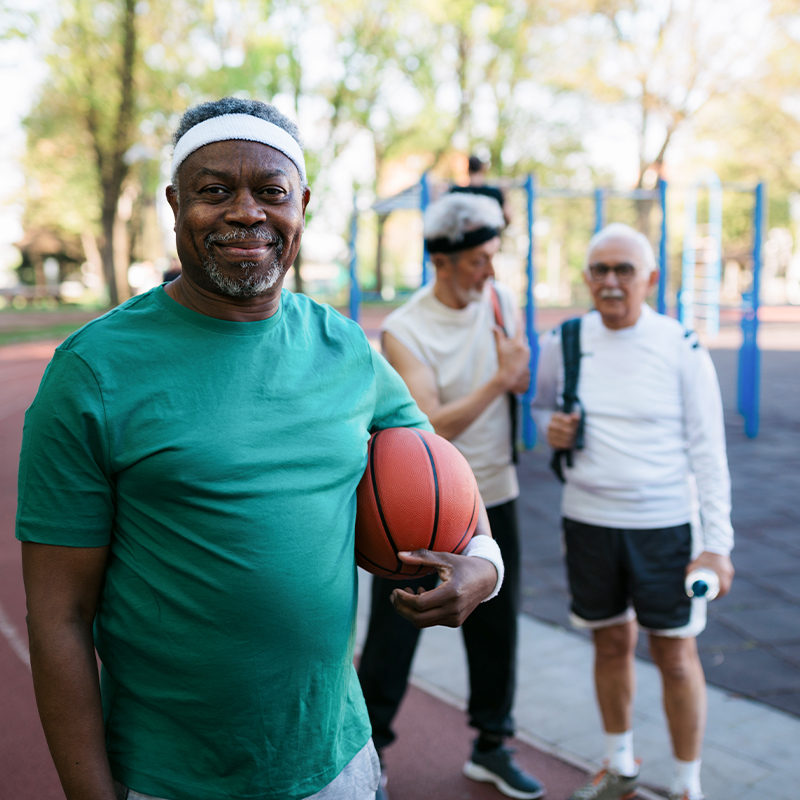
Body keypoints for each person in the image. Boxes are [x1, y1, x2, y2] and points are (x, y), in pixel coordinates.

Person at [16, 97, 503, 800]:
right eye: (214, 190)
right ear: (175, 203)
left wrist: (484, 564)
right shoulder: (92, 373)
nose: (246, 212)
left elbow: (445, 477)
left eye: (270, 192)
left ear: (301, 204)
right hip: (170, 779)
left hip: (338, 760)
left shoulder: (346, 351)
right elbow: (58, 618)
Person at [532, 223, 735, 800]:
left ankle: (687, 786)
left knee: (674, 653)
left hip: (666, 528)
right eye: (601, 269)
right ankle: (619, 765)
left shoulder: (681, 346)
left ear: (650, 278)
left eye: (625, 270)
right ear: (587, 277)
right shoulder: (562, 341)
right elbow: (542, 410)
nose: (612, 281)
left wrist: (717, 545)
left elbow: (709, 451)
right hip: (589, 522)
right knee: (609, 643)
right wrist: (553, 429)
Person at [358, 193, 544, 800]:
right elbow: (430, 427)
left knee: (498, 631)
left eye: (494, 256)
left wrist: (522, 381)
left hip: (497, 493)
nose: (490, 270)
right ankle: (370, 749)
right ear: (443, 258)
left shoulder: (501, 303)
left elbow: (522, 382)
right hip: (419, 513)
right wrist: (501, 378)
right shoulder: (408, 330)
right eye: (479, 259)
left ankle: (492, 745)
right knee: (393, 638)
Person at [449, 154, 512, 227]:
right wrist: (505, 194)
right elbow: (508, 220)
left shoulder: (456, 192)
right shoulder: (494, 193)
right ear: (482, 169)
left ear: (468, 170)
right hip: (490, 236)